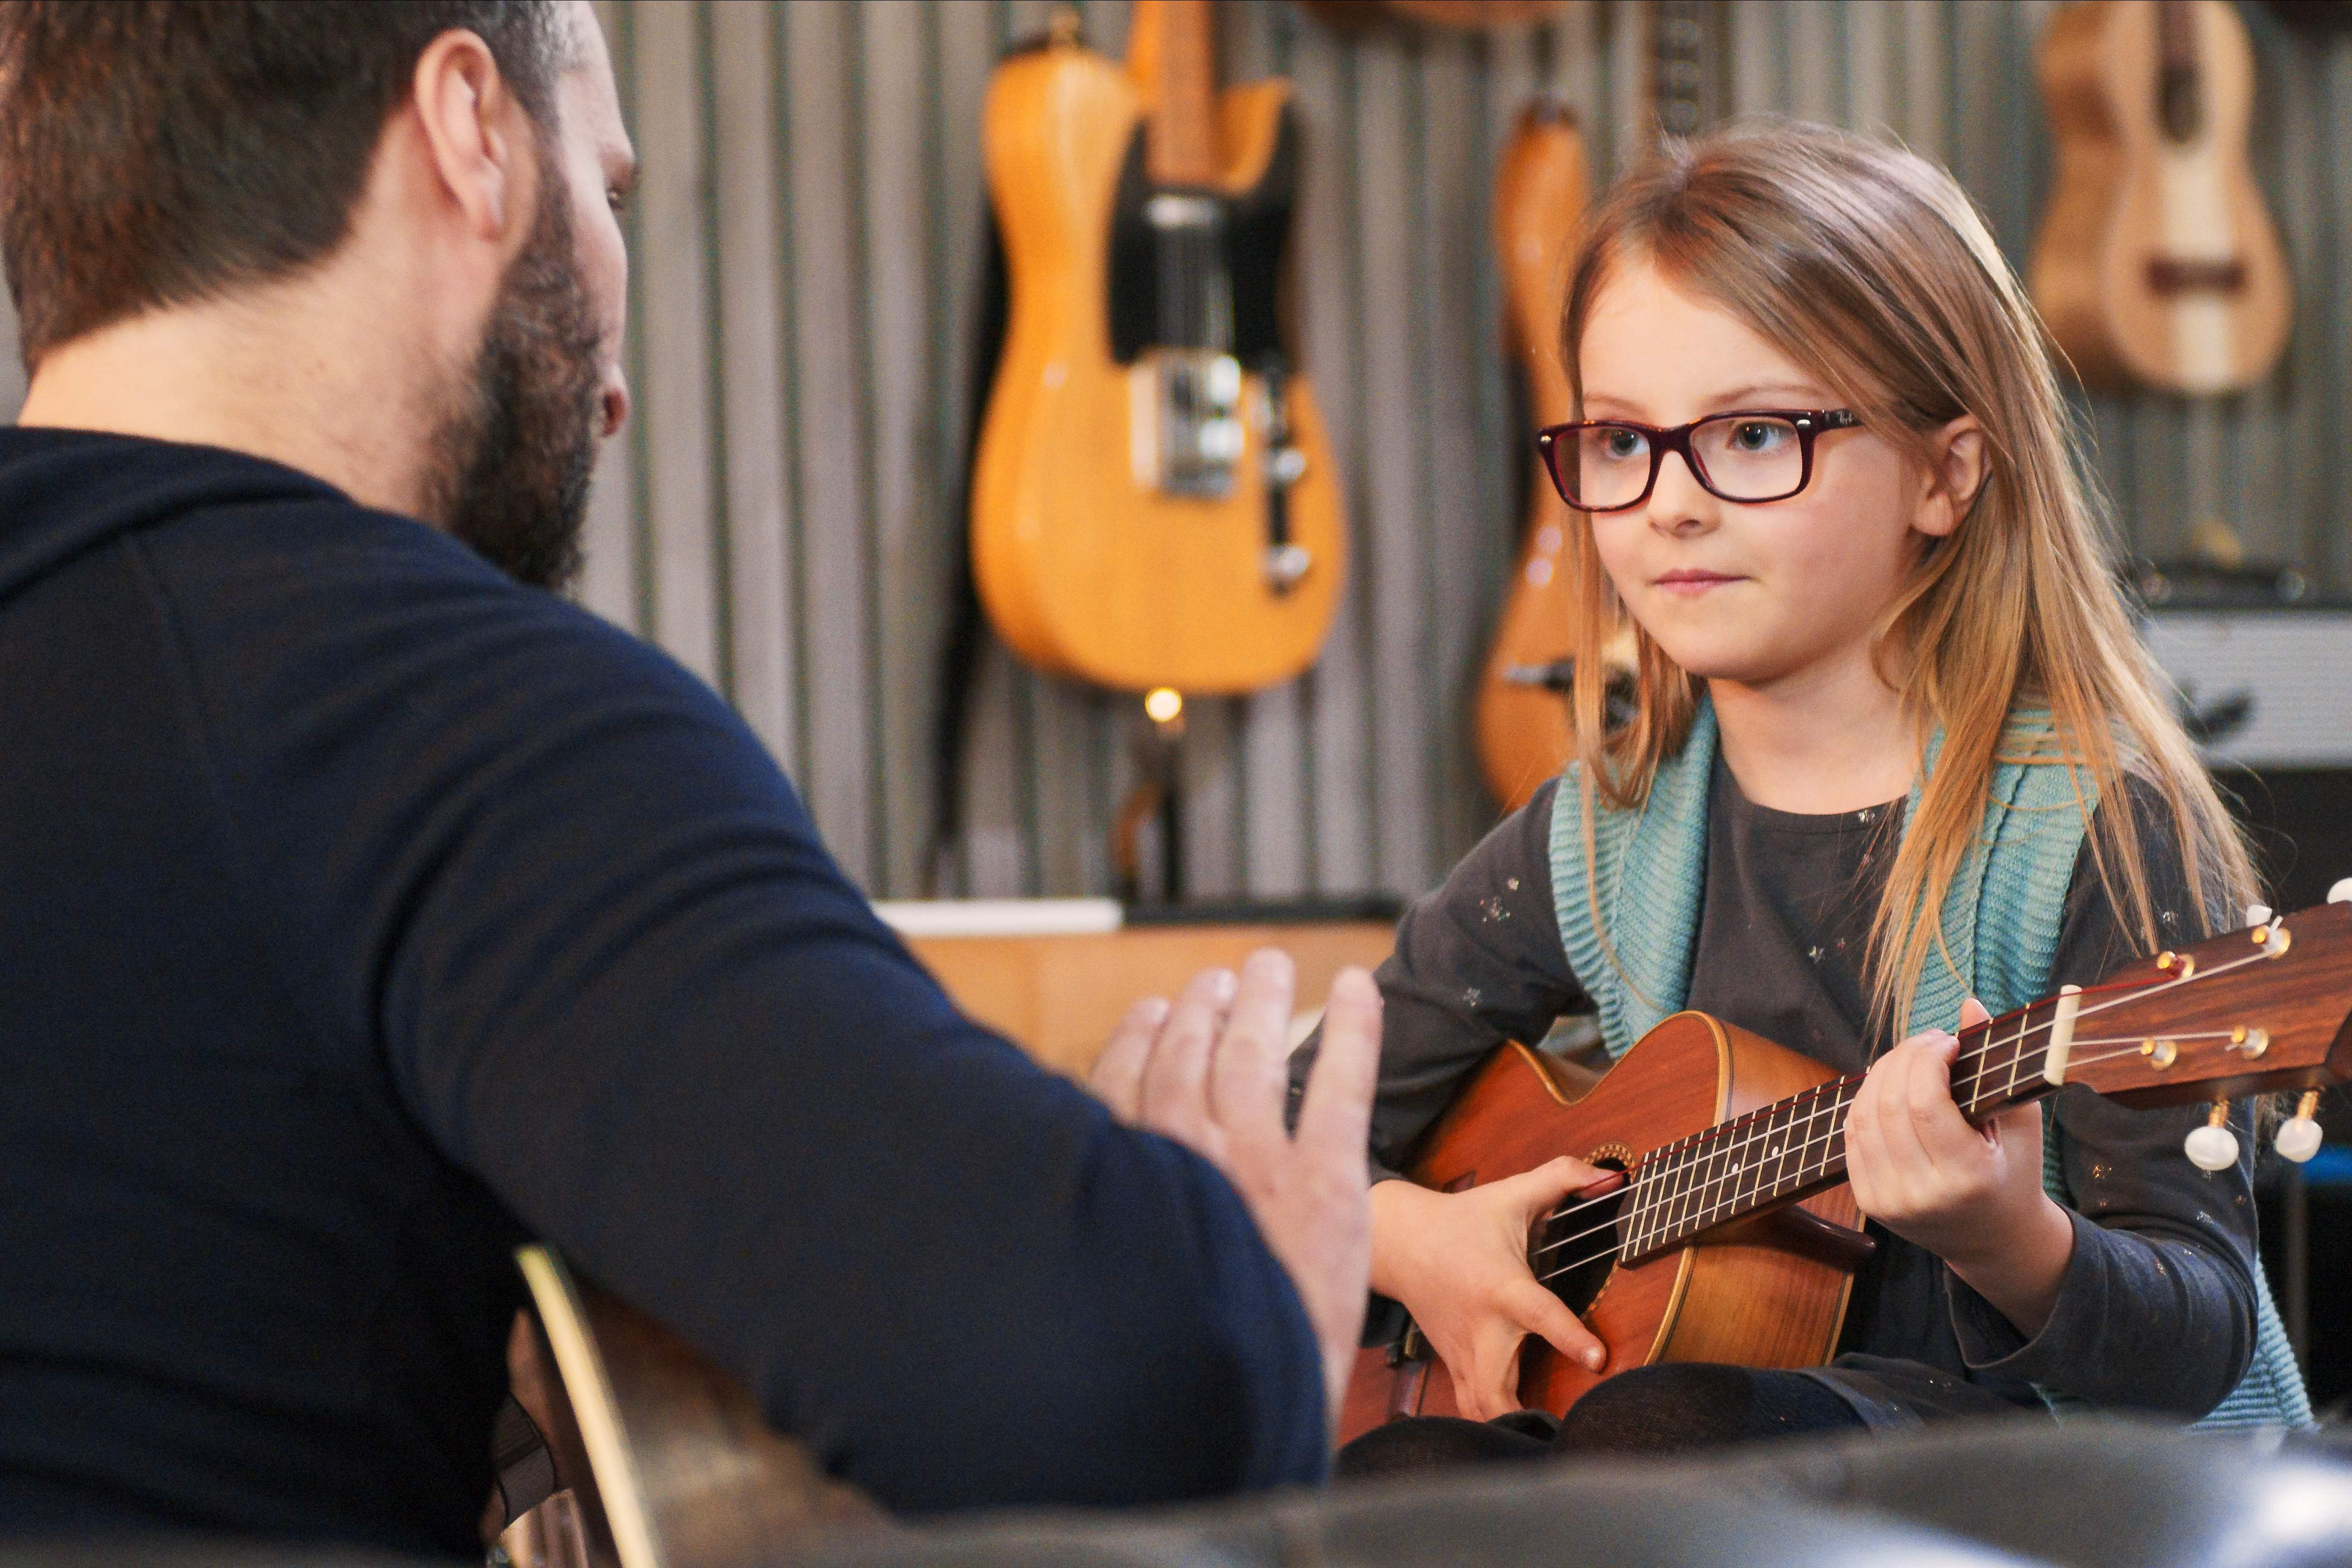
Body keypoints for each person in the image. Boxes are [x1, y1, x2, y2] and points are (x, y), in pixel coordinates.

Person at [0, 1, 1381, 1554]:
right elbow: (1124, 1383)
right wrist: (1251, 1284)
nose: (616, 394)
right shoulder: (440, 708)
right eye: (610, 191)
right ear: (470, 133)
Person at [1317, 120, 2309, 1474]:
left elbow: (2195, 1340)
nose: (1667, 503)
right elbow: (1293, 1119)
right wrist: (1415, 1235)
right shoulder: (1602, 832)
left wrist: (2004, 1237)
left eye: (1753, 432)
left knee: (1669, 1434)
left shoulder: (2094, 834)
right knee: (1394, 1473)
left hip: (2058, 1476)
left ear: (1945, 473)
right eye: (1619, 442)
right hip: (1704, 1456)